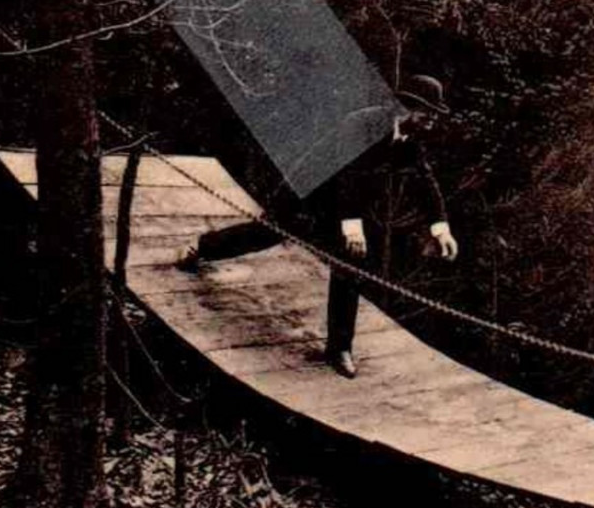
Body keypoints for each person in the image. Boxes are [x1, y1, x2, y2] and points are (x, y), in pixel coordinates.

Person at [175, 75, 460, 379]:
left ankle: (339, 348)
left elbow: (424, 180)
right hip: (307, 193)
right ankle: (203, 247)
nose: (431, 121)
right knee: (265, 235)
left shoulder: (409, 137)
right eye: (427, 113)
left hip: (341, 203)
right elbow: (348, 174)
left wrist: (440, 228)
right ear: (405, 107)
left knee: (350, 265)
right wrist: (352, 228)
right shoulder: (362, 124)